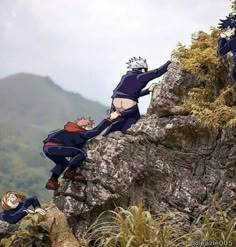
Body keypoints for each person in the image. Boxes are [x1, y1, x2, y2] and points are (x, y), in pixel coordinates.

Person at [43, 111, 120, 190]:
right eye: (84, 119)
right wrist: (110, 119)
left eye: (88, 123)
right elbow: (96, 131)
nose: (85, 120)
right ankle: (70, 172)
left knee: (62, 163)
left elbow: (94, 131)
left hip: (48, 148)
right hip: (54, 147)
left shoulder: (72, 129)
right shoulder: (78, 131)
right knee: (81, 153)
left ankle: (52, 182)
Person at [104, 56, 171, 135]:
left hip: (116, 103)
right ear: (142, 69)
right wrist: (169, 63)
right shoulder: (141, 77)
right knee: (133, 118)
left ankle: (106, 134)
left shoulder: (125, 77)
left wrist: (147, 90)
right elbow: (156, 72)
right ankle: (125, 134)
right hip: (128, 105)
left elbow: (130, 94)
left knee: (121, 120)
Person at [218, 15, 236, 83]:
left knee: (234, 74)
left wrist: (222, 38)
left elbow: (221, 52)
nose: (225, 31)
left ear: (231, 29)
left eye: (226, 29)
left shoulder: (231, 42)